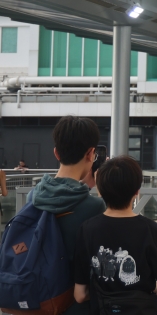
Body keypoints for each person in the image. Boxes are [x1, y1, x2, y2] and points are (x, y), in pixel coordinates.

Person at [74, 156, 157, 313]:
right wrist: (147, 285)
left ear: (100, 190)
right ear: (137, 191)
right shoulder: (151, 229)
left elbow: (80, 295)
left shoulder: (87, 229)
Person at [26, 116, 106, 314]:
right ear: (90, 154)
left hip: (39, 300)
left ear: (56, 153)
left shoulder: (33, 196)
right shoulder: (94, 206)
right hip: (76, 304)